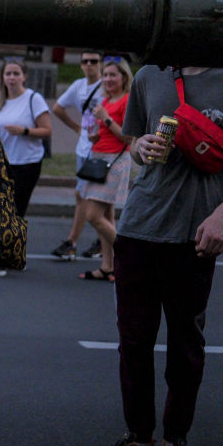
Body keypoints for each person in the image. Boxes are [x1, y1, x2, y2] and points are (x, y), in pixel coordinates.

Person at [90, 65, 223, 446]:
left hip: (195, 236)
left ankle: (175, 443)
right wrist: (140, 146)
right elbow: (131, 142)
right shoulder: (152, 75)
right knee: (133, 344)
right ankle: (139, 441)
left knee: (186, 348)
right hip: (138, 230)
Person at [0, 57, 51, 277]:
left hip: (27, 164)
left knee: (12, 212)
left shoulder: (34, 99)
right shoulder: (0, 102)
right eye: (8, 74)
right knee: (4, 211)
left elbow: (47, 130)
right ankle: (13, 257)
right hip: (3, 164)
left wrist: (24, 131)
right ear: (2, 77)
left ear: (24, 76)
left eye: (15, 73)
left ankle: (1, 261)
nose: (11, 78)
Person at [76, 57, 133, 282]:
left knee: (93, 215)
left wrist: (106, 119)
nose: (108, 79)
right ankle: (108, 267)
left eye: (113, 75)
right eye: (106, 75)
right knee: (107, 215)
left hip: (114, 162)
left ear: (124, 78)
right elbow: (108, 131)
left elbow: (128, 137)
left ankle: (130, 256)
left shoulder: (127, 101)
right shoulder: (107, 100)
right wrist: (96, 135)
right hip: (99, 159)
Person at [50, 51, 105, 260]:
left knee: (93, 197)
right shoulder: (78, 86)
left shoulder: (106, 84)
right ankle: (100, 242)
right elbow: (57, 107)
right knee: (84, 195)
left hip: (101, 150)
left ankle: (74, 241)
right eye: (85, 61)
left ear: (100, 63)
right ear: (81, 65)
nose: (89, 65)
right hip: (83, 149)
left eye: (93, 61)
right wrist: (76, 127)